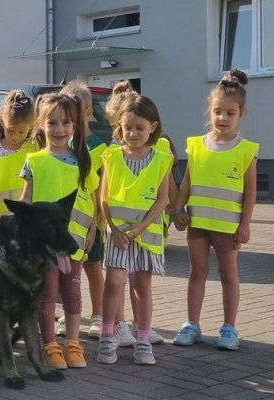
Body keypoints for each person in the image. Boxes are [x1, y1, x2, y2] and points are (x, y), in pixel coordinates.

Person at [172, 69, 258, 351]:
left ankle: (229, 328)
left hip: (228, 226)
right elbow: (186, 182)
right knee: (196, 272)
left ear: (241, 113)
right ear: (209, 111)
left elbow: (250, 191)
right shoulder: (196, 146)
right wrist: (177, 210)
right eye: (217, 111)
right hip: (198, 223)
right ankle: (192, 324)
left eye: (230, 113)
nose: (222, 118)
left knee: (228, 275)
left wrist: (245, 224)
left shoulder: (246, 150)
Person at [20, 93, 98, 370]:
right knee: (48, 292)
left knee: (73, 292)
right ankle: (51, 346)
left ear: (75, 125)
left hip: (73, 240)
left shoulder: (84, 161)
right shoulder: (34, 161)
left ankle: (74, 344)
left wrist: (92, 230)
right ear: (41, 124)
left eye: (65, 122)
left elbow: (94, 199)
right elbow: (26, 201)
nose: (59, 129)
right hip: (44, 246)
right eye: (52, 123)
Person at [97, 94, 172, 365]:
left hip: (146, 234)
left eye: (139, 128)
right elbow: (103, 197)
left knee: (142, 285)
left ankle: (143, 340)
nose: (133, 133)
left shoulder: (162, 158)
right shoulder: (112, 156)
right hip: (118, 234)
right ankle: (108, 335)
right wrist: (114, 228)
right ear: (120, 127)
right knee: (114, 282)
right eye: (127, 127)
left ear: (153, 127)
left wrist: (140, 227)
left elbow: (162, 199)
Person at [58, 81, 106, 341]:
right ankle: (69, 312)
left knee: (93, 265)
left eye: (76, 111)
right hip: (66, 221)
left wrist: (96, 225)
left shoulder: (99, 148)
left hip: (90, 221)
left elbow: (100, 191)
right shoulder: (60, 146)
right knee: (67, 268)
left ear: (88, 113)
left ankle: (98, 315)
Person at [0, 90, 36, 219]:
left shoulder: (34, 148)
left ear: (30, 126)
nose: (15, 136)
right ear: (2, 122)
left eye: (21, 132)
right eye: (11, 130)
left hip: (25, 216)